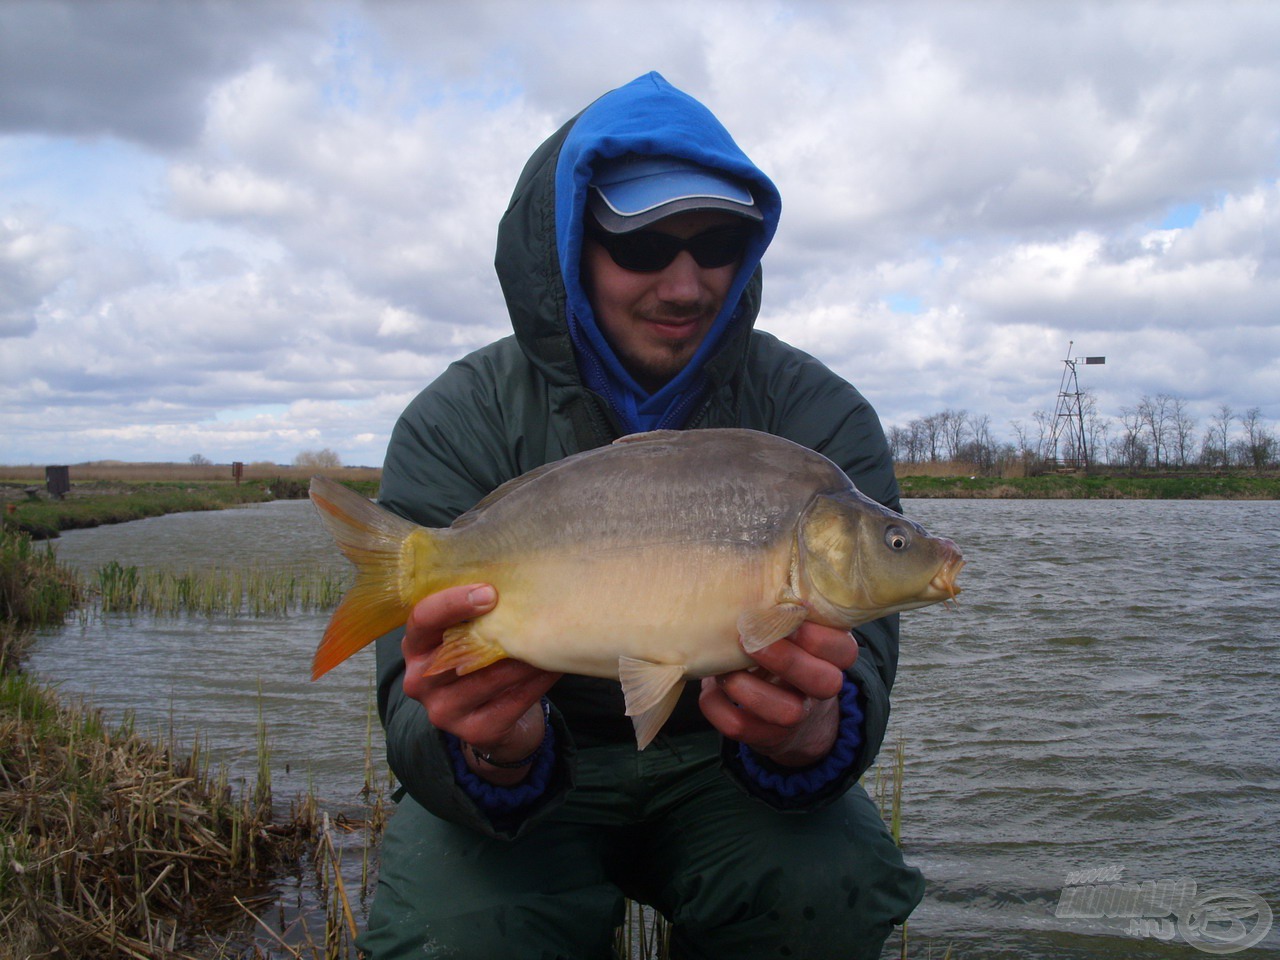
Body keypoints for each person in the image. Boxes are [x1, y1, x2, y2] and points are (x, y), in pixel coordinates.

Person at [356, 72, 924, 960]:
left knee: (835, 887)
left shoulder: (822, 420)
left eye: (722, 243)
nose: (687, 283)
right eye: (645, 243)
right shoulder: (457, 418)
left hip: (724, 771)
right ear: (571, 246)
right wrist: (490, 749)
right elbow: (410, 712)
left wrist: (816, 735)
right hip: (545, 752)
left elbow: (867, 679)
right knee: (452, 933)